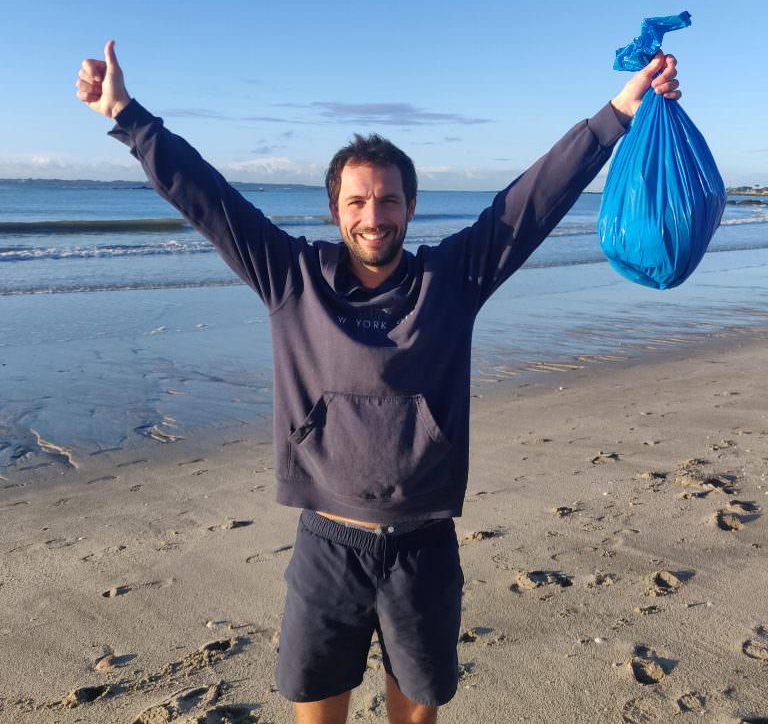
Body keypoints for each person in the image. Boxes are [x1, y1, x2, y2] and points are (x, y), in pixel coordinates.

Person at [76, 41, 681, 724]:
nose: (373, 216)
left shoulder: (450, 281)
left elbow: (530, 202)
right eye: (358, 200)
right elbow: (208, 198)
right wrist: (126, 114)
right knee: (316, 712)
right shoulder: (290, 278)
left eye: (388, 200)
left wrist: (621, 111)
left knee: (415, 713)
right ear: (335, 208)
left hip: (422, 546)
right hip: (327, 544)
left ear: (411, 206)